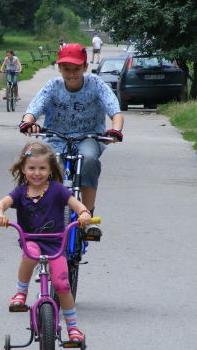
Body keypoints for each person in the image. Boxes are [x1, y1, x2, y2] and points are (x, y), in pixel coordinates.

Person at [18, 43, 124, 241]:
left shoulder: (96, 84)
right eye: (66, 69)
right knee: (46, 168)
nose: (71, 74)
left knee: (89, 159)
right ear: (60, 68)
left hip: (89, 136)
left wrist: (116, 130)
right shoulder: (53, 86)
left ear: (85, 67)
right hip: (56, 137)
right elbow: (33, 109)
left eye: (76, 69)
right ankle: (48, 215)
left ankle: (87, 217)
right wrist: (27, 123)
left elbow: (115, 111)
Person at [0, 141, 92, 342]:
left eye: (42, 168)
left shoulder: (57, 190)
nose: (36, 173)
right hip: (32, 240)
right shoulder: (21, 192)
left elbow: (77, 205)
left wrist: (84, 213)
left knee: (63, 285)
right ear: (23, 168)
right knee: (31, 253)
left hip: (56, 243)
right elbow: (3, 203)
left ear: (50, 169)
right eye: (31, 168)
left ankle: (73, 329)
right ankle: (21, 292)